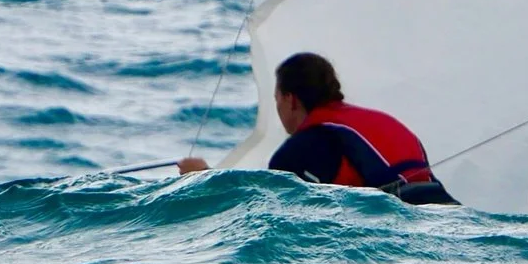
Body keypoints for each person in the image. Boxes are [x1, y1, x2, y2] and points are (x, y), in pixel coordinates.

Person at [176, 52, 457, 204]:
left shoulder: (305, 146)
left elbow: (269, 210)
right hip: (448, 213)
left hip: (401, 224)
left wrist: (206, 180)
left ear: (290, 99)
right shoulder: (386, 121)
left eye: (276, 99)